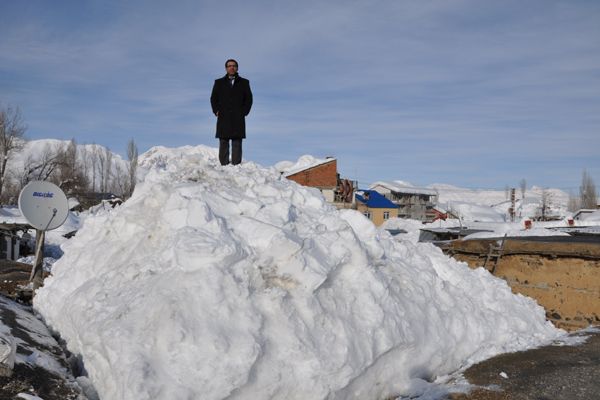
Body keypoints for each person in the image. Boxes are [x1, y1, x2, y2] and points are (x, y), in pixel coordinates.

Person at [210, 59, 253, 165]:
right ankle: (224, 166)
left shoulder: (244, 82)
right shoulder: (218, 82)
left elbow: (249, 99)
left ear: (237, 68)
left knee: (237, 142)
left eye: (234, 65)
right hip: (223, 116)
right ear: (226, 68)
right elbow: (213, 98)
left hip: (238, 116)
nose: (231, 67)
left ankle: (236, 166)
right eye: (229, 66)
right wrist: (216, 111)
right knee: (223, 141)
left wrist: (244, 112)